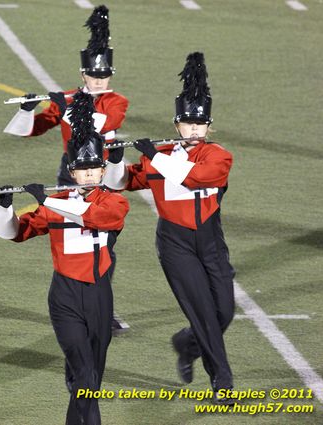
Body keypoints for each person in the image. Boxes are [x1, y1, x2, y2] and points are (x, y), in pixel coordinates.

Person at [0, 91, 129, 425]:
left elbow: (92, 216)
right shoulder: (57, 203)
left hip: (98, 295)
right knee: (83, 373)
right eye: (83, 169)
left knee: (90, 376)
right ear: (72, 171)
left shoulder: (114, 203)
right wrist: (5, 207)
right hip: (64, 296)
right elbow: (14, 233)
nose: (91, 174)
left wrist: (48, 202)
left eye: (96, 168)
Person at [103, 52, 236, 404]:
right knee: (205, 313)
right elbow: (121, 183)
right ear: (176, 124)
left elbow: (196, 179)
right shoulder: (160, 154)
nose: (194, 131)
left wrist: (155, 156)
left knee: (224, 310)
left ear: (209, 126)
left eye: (200, 125)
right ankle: (222, 384)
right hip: (175, 244)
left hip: (211, 241)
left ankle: (185, 344)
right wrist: (116, 159)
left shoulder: (218, 156)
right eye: (187, 125)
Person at [4, 5, 129, 186]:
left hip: (103, 166)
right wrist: (26, 112)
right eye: (94, 76)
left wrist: (66, 110)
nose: (99, 81)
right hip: (71, 167)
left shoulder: (118, 102)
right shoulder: (68, 98)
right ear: (83, 75)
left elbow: (101, 125)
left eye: (104, 76)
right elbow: (32, 130)